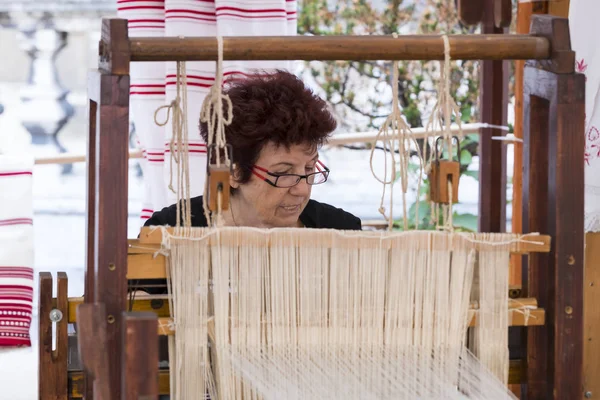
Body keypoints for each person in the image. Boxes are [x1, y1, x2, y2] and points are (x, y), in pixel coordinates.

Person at [144, 70, 361, 230]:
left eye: (310, 168)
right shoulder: (171, 229)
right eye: (284, 173)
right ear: (233, 172)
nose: (302, 190)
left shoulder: (341, 230)